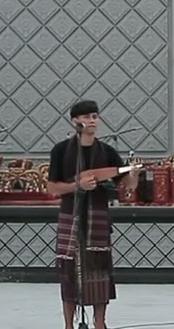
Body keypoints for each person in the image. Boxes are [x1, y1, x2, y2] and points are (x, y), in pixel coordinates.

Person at [46, 99, 136, 329]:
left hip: (98, 215)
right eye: (86, 117)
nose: (92, 121)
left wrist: (132, 173)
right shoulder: (61, 150)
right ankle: (68, 324)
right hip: (71, 214)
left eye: (95, 116)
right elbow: (53, 188)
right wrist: (77, 186)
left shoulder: (107, 151)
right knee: (69, 271)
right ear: (75, 121)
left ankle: (100, 323)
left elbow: (127, 184)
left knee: (99, 269)